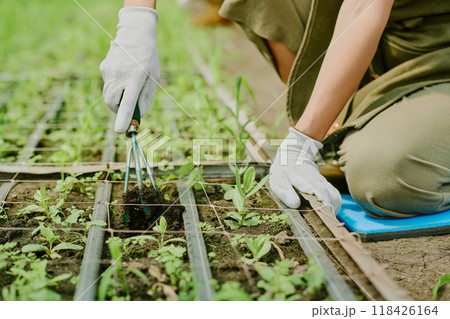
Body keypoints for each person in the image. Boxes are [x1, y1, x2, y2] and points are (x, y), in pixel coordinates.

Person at [100, 0, 450, 219]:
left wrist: (303, 141)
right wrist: (137, 20)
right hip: (372, 41)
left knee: (384, 179)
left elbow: (365, 6)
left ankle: (347, 125)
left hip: (436, 54)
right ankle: (338, 113)